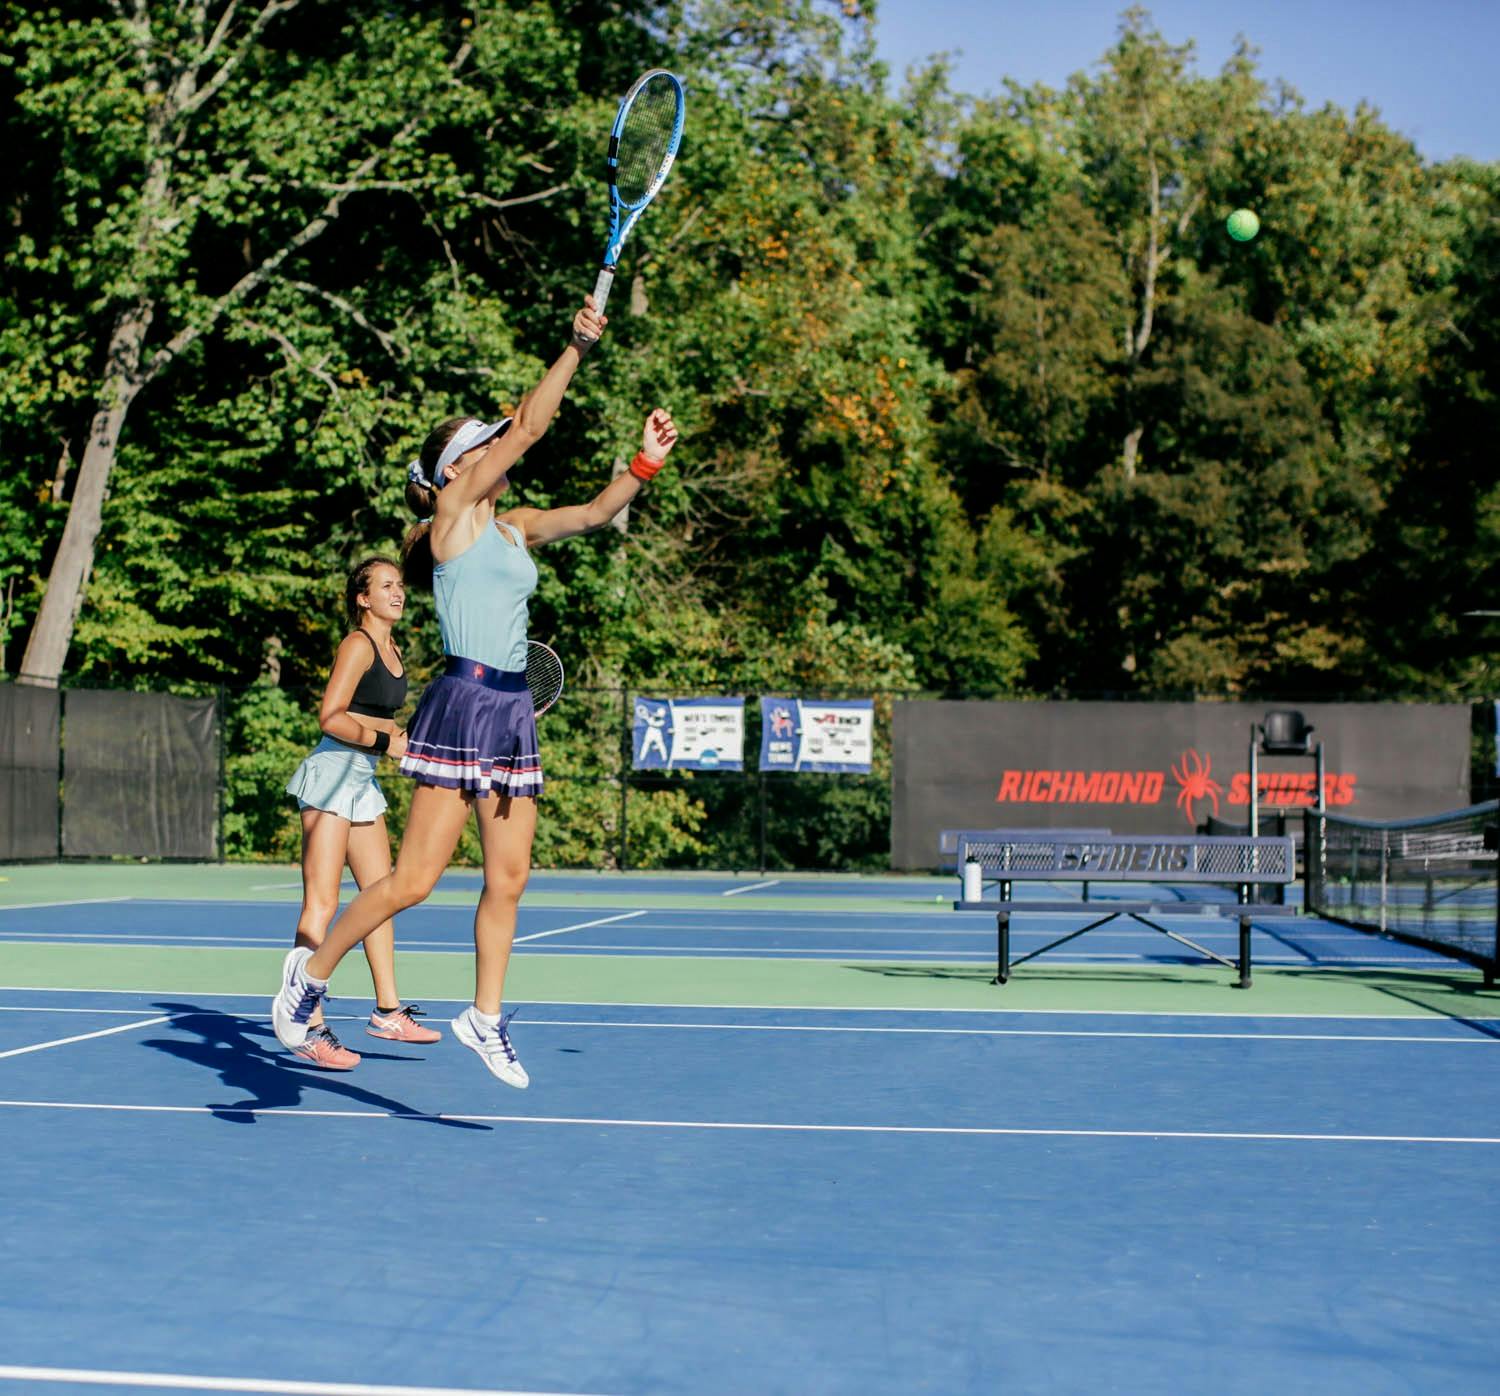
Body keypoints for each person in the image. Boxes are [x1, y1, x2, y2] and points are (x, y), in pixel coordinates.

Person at [271, 296, 680, 1088]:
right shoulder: (452, 517)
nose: (501, 448)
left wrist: (644, 464)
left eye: (495, 442)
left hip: (512, 710)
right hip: (461, 704)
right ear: (455, 470)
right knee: (414, 882)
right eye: (484, 445)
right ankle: (311, 975)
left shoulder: (513, 524)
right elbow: (529, 425)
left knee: (511, 877)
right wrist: (574, 347)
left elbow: (597, 513)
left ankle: (483, 1019)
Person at [281, 557, 440, 1069]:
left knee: (380, 896)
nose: (397, 592)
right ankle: (310, 1024)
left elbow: (384, 724)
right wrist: (383, 741)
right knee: (322, 904)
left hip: (362, 780)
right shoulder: (357, 644)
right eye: (386, 586)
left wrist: (400, 743)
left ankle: (388, 1012)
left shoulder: (395, 650)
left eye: (400, 585)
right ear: (362, 599)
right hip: (331, 776)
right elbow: (330, 716)